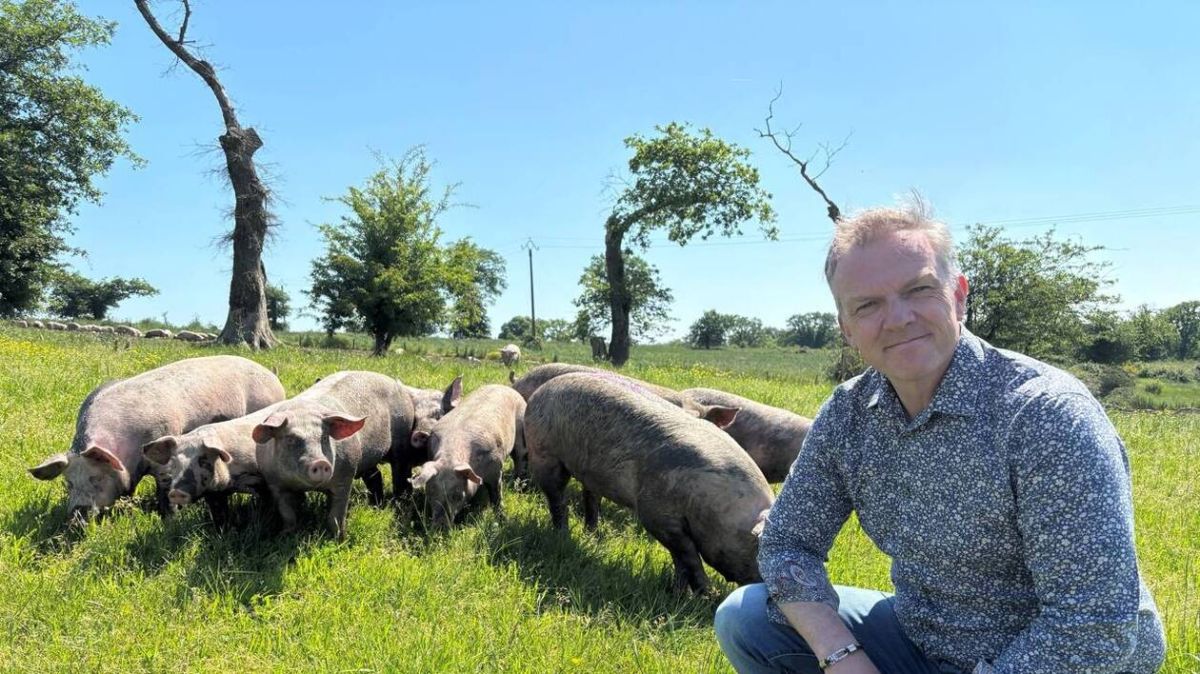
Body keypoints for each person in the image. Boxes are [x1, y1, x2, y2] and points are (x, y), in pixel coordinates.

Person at [714, 203, 1165, 674]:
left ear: (959, 295)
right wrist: (840, 655)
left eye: (919, 289)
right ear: (846, 329)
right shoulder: (849, 414)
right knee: (745, 618)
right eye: (867, 305)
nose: (898, 318)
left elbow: (1094, 624)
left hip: (1062, 657)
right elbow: (788, 543)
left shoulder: (1045, 414)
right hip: (926, 636)